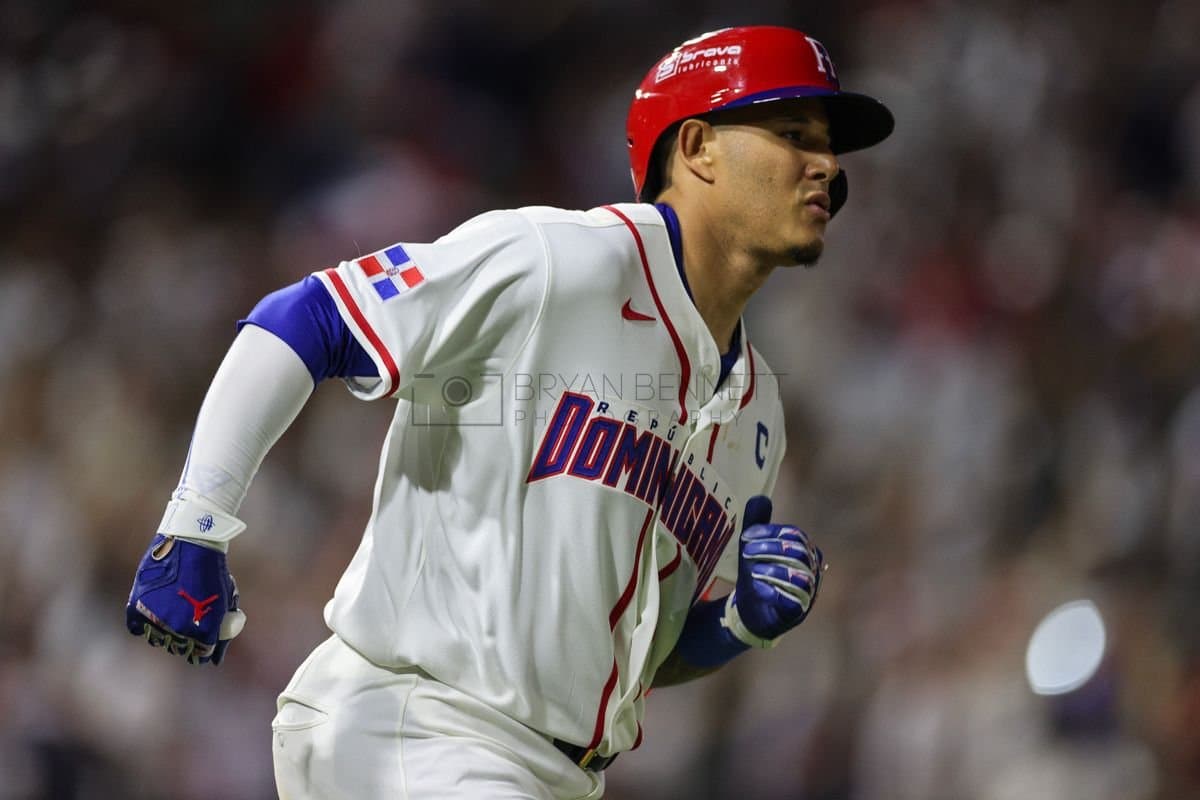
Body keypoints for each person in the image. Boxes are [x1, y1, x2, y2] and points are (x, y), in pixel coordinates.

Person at [126, 25, 893, 799]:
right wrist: (195, 522)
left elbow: (623, 657)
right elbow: (305, 317)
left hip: (547, 774)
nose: (826, 164)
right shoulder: (562, 260)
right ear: (696, 148)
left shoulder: (759, 414)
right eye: (794, 134)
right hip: (415, 727)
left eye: (830, 145)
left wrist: (736, 627)